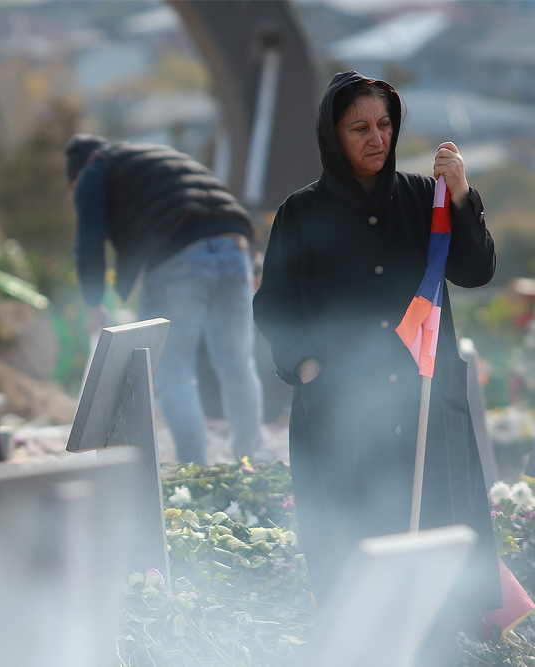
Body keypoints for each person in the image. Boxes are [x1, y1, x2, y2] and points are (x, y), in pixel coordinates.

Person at [253, 71, 500, 666]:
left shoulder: (425, 199)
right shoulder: (301, 211)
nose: (376, 138)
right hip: (342, 417)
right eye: (359, 127)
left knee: (435, 562)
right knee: (356, 560)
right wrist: (307, 366)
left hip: (423, 410)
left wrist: (462, 198)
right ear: (332, 135)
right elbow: (274, 304)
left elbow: (475, 271)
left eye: (385, 125)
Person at [65, 134, 263, 464]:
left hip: (179, 255)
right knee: (238, 364)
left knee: (174, 374)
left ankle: (194, 470)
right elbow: (214, 206)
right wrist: (251, 265)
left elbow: (89, 239)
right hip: (236, 246)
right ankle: (251, 460)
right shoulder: (157, 154)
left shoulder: (93, 169)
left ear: (76, 174)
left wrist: (92, 303)